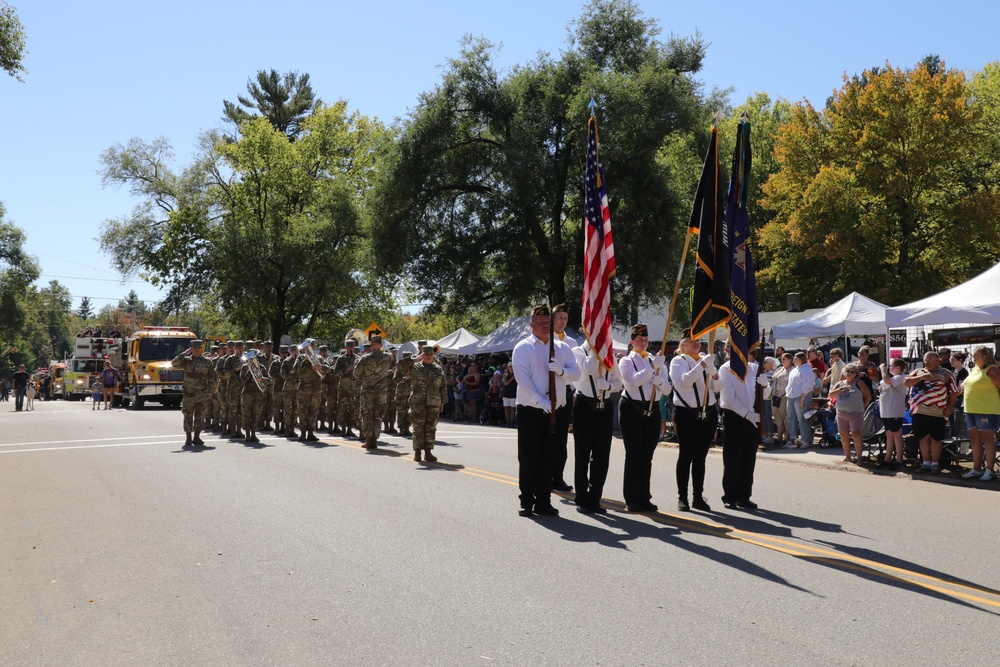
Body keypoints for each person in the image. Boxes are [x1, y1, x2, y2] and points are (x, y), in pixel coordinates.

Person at [512, 304, 580, 517]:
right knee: (529, 457)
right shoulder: (523, 347)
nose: (544, 325)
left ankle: (544, 500)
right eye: (539, 322)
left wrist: (561, 371)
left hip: (556, 412)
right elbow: (522, 379)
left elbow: (576, 372)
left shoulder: (562, 348)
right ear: (531, 324)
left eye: (547, 322)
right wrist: (540, 401)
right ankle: (527, 501)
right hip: (530, 411)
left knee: (549, 458)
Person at [619, 324, 670, 513]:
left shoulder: (657, 361)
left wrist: (661, 381)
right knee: (633, 454)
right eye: (639, 340)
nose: (643, 343)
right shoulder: (626, 361)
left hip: (652, 409)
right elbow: (633, 381)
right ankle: (631, 498)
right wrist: (652, 368)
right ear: (632, 341)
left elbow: (668, 390)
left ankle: (644, 496)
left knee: (647, 456)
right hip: (632, 408)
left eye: (646, 340)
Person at [571, 338, 623, 514]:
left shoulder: (609, 354)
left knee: (601, 456)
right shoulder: (578, 351)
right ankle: (582, 498)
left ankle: (595, 498)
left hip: (604, 406)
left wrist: (608, 386)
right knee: (583, 455)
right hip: (585, 406)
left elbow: (618, 382)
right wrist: (596, 350)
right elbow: (588, 368)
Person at [669, 329, 718, 512]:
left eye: (698, 340)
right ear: (683, 344)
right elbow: (684, 382)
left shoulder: (705, 359)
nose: (696, 343)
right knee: (686, 456)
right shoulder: (678, 361)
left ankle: (698, 496)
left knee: (700, 458)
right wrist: (703, 365)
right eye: (691, 340)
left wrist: (713, 373)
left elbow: (718, 387)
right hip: (688, 414)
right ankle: (683, 496)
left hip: (708, 412)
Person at [718, 351, 768, 510]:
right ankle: (730, 497)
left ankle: (744, 496)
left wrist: (765, 385)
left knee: (748, 458)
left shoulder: (755, 368)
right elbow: (729, 398)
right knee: (733, 459)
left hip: (753, 417)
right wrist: (746, 414)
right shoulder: (726, 369)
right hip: (735, 417)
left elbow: (765, 395)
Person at [904, 351, 958, 474]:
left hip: (937, 412)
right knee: (923, 438)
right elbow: (906, 382)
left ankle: (935, 464)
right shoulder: (918, 372)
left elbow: (955, 391)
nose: (926, 362)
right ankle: (925, 463)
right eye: (925, 360)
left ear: (937, 361)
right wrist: (922, 377)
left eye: (929, 359)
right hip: (919, 411)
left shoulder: (946, 374)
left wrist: (949, 407)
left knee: (936, 438)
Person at [959, 346, 1000, 481]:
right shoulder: (974, 370)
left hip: (987, 410)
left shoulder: (992, 369)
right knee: (974, 439)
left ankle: (990, 470)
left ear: (985, 356)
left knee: (988, 440)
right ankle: (976, 469)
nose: (973, 357)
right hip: (970, 409)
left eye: (976, 355)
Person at [171, 340, 217, 448]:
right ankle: (188, 437)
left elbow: (211, 378)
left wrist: (210, 392)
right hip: (189, 393)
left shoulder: (208, 362)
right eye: (194, 348)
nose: (196, 350)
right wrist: (184, 353)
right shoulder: (186, 361)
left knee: (200, 415)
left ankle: (197, 436)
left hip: (202, 393)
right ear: (191, 349)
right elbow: (174, 363)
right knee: (188, 415)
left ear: (202, 348)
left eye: (198, 347)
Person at [407, 345, 447, 462]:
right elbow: (402, 366)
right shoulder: (415, 367)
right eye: (426, 354)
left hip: (434, 402)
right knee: (418, 427)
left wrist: (442, 402)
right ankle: (417, 452)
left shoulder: (438, 369)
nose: (429, 357)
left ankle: (428, 452)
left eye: (430, 354)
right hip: (418, 402)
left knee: (431, 428)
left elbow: (443, 387)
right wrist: (416, 358)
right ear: (423, 355)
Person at [828, 364, 872, 464]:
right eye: (848, 371)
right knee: (843, 435)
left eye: (852, 372)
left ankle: (860, 458)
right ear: (844, 372)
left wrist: (862, 407)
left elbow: (868, 397)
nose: (850, 373)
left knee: (856, 434)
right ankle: (848, 457)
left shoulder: (859, 383)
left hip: (856, 413)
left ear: (856, 374)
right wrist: (842, 389)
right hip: (841, 413)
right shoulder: (840, 383)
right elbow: (831, 394)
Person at [355, 334, 393, 449]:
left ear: (371, 345)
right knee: (378, 415)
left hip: (368, 391)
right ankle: (375, 440)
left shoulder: (365, 358)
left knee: (367, 415)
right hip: (381, 392)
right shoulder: (387, 357)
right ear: (381, 345)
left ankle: (368, 440)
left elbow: (356, 374)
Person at [879, 358, 908, 469]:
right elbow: (885, 384)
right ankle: (888, 458)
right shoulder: (891, 378)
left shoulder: (900, 377)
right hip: (886, 410)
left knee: (897, 435)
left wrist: (883, 369)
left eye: (891, 366)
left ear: (898, 368)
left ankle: (899, 460)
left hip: (894, 410)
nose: (889, 368)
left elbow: (887, 381)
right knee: (889, 435)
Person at [785, 352, 814, 448]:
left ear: (802, 359)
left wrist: (802, 400)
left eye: (796, 359)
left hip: (801, 396)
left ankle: (806, 440)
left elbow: (807, 385)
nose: (794, 360)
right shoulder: (794, 370)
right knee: (790, 418)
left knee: (802, 418)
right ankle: (794, 439)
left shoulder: (806, 370)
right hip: (791, 396)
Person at [770, 353, 793, 446]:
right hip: (774, 396)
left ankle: (787, 438)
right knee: (777, 418)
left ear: (790, 360)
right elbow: (773, 379)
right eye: (782, 359)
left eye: (785, 359)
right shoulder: (780, 369)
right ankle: (779, 438)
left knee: (785, 417)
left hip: (783, 397)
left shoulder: (792, 370)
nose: (782, 361)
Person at [949, 351, 969, 438]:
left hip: (959, 400)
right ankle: (953, 443)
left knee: (960, 422)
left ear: (960, 360)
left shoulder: (964, 372)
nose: (951, 362)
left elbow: (960, 388)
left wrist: (952, 398)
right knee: (952, 422)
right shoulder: (952, 372)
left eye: (953, 360)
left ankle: (963, 444)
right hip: (951, 399)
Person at [502, 362, 517, 427]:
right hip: (506, 393)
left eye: (512, 366)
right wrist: (512, 378)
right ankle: (508, 421)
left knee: (512, 408)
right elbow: (505, 383)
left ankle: (512, 421)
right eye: (510, 366)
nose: (511, 368)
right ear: (507, 367)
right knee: (506, 408)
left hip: (514, 393)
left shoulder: (516, 374)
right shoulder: (506, 374)